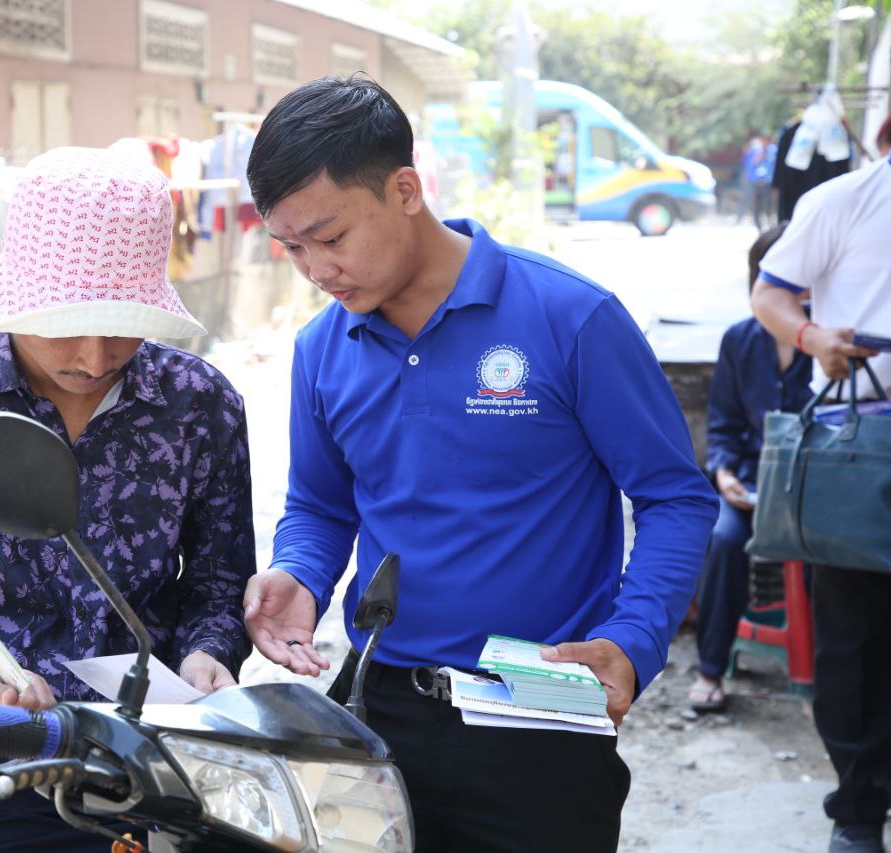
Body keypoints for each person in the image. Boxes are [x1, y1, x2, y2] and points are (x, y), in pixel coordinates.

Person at [241, 76, 719, 851]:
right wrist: (300, 571)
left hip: (542, 714)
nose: (316, 269)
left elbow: (674, 496)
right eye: (291, 247)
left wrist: (632, 639)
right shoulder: (321, 348)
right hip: (380, 708)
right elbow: (322, 505)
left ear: (405, 190)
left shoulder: (570, 317)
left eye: (330, 238)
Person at [0, 147, 256, 852]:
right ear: (19, 298)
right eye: (66, 323)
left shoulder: (200, 404)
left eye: (122, 324)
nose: (94, 357)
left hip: (163, 751)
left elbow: (220, 582)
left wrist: (208, 652)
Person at [750, 114, 891, 853]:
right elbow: (769, 294)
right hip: (857, 444)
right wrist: (812, 337)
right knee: (855, 638)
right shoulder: (843, 200)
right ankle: (859, 810)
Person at [688, 221, 813, 713]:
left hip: (812, 491)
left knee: (829, 559)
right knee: (722, 540)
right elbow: (723, 424)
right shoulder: (739, 340)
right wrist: (724, 474)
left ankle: (825, 671)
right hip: (749, 486)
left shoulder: (827, 344)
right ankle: (711, 669)